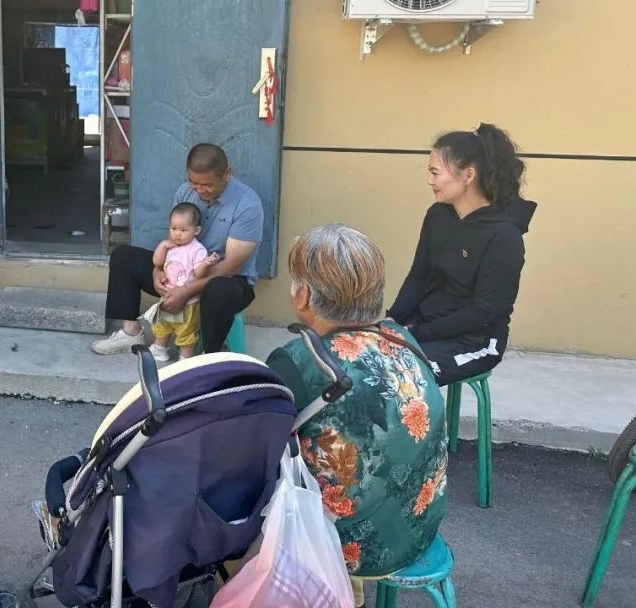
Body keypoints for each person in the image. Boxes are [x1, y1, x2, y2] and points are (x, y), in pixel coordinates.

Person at [266, 224, 447, 608]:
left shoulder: (301, 362)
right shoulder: (401, 337)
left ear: (302, 295)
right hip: (421, 525)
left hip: (353, 547)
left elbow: (258, 445)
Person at [387, 123, 537, 386]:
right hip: (424, 328)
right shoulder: (437, 216)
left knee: (395, 375)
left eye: (436, 172)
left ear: (468, 175)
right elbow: (418, 276)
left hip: (474, 342)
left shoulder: (504, 236)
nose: (430, 181)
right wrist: (393, 321)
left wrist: (417, 334)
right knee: (357, 358)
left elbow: (484, 311)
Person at [92, 143, 263, 356]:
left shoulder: (247, 204)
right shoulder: (185, 192)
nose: (199, 190)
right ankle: (131, 332)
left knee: (220, 290)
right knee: (123, 257)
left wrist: (186, 291)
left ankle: (208, 354)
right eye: (193, 182)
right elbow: (174, 240)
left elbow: (230, 267)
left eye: (207, 185)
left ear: (227, 173)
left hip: (226, 280)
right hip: (180, 273)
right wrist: (158, 271)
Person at [145, 202, 219, 362]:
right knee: (162, 324)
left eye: (183, 230)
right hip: (167, 295)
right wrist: (163, 246)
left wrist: (206, 264)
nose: (177, 234)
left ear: (196, 231)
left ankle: (185, 358)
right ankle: (159, 348)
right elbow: (157, 262)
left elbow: (199, 274)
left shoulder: (197, 249)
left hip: (188, 302)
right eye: (173, 229)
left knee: (186, 330)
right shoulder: (170, 245)